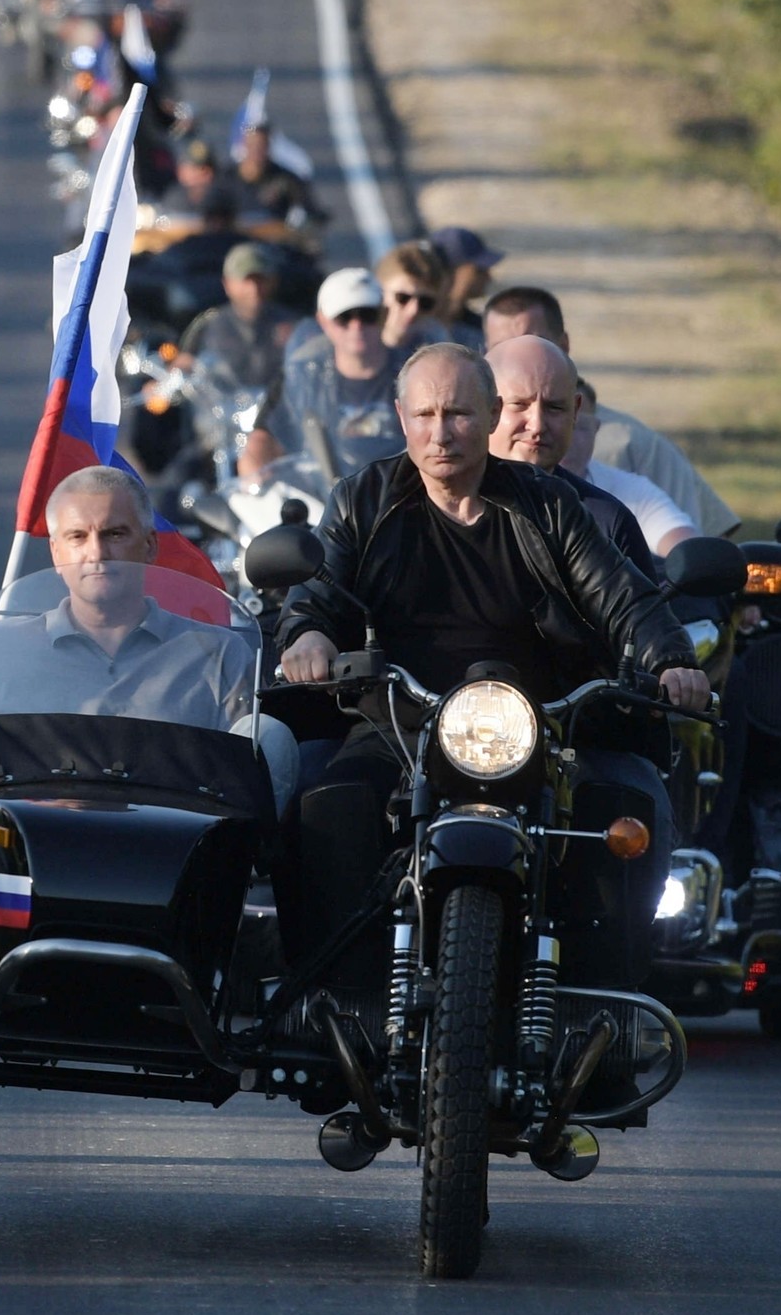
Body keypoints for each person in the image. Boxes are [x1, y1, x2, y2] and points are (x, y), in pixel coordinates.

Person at [276, 343, 705, 993]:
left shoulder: (550, 506)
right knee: (322, 804)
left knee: (625, 800)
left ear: (492, 414)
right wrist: (307, 635)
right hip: (402, 719)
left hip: (538, 721)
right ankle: (335, 1009)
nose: (440, 432)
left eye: (459, 413)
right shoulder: (365, 497)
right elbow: (320, 590)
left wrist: (670, 657)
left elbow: (623, 597)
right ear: (400, 417)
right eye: (425, 413)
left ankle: (605, 1009)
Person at [0, 465, 293, 822]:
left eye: (115, 534)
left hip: (177, 871)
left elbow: (259, 761)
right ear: (56, 555)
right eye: (78, 537)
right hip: (22, 868)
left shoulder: (216, 652)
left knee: (271, 734)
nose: (96, 553)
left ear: (150, 547)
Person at [481, 284, 738, 537]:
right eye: (501, 348)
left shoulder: (631, 446)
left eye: (555, 408)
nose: (537, 425)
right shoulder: (453, 486)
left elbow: (697, 546)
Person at [487, 336, 660, 581]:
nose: (537, 425)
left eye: (554, 408)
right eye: (519, 405)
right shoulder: (433, 508)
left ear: (576, 411)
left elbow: (643, 617)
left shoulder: (607, 523)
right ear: (487, 407)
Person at [244, 267, 400, 477]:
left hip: (398, 495)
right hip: (324, 499)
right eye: (344, 317)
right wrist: (256, 480)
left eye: (367, 315)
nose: (357, 325)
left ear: (384, 315)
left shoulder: (411, 373)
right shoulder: (302, 376)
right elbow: (262, 440)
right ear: (323, 321)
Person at [572, 377, 697, 555]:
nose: (566, 437)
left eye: (579, 426)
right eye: (554, 421)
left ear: (596, 428)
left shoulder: (631, 493)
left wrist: (692, 559)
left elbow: (683, 546)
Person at [177, 241, 299, 392]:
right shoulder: (207, 326)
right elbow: (181, 369)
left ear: (273, 281)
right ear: (227, 284)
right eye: (246, 281)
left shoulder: (292, 325)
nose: (254, 289)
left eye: (260, 280)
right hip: (219, 412)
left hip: (276, 411)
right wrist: (165, 385)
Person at [377, 239, 467, 352]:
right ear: (380, 292)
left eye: (425, 303)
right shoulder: (355, 327)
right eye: (403, 298)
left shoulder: (437, 343)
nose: (413, 310)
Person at [233, 120, 324, 226]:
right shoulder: (227, 177)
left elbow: (311, 210)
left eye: (261, 145)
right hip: (236, 238)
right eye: (252, 144)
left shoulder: (285, 178)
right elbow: (212, 210)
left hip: (274, 237)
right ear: (244, 145)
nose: (257, 150)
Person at [428, 225, 501, 343]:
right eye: (479, 270)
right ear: (450, 273)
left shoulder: (480, 328)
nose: (489, 278)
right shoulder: (414, 329)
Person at [156, 138, 236, 221]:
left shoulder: (225, 199)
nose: (193, 173)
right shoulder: (174, 198)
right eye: (189, 167)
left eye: (201, 168)